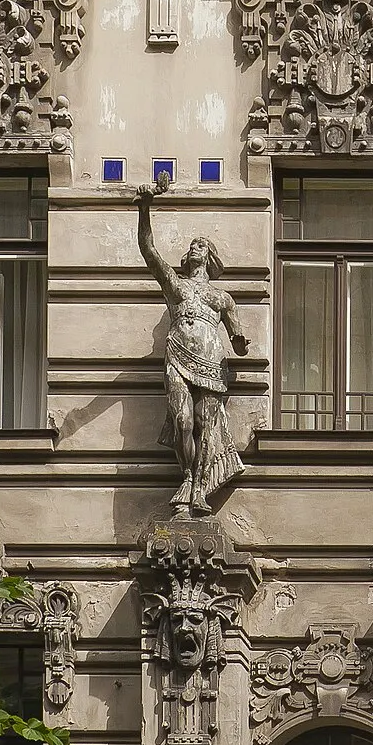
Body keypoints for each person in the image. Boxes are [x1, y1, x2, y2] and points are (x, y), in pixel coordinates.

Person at [138, 177, 248, 515]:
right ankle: (186, 476)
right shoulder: (176, 286)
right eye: (193, 244)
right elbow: (149, 252)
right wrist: (144, 208)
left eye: (201, 244)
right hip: (179, 357)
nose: (195, 246)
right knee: (183, 421)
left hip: (212, 363)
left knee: (205, 423)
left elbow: (237, 338)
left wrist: (241, 341)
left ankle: (199, 488)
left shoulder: (222, 297)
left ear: (210, 256)